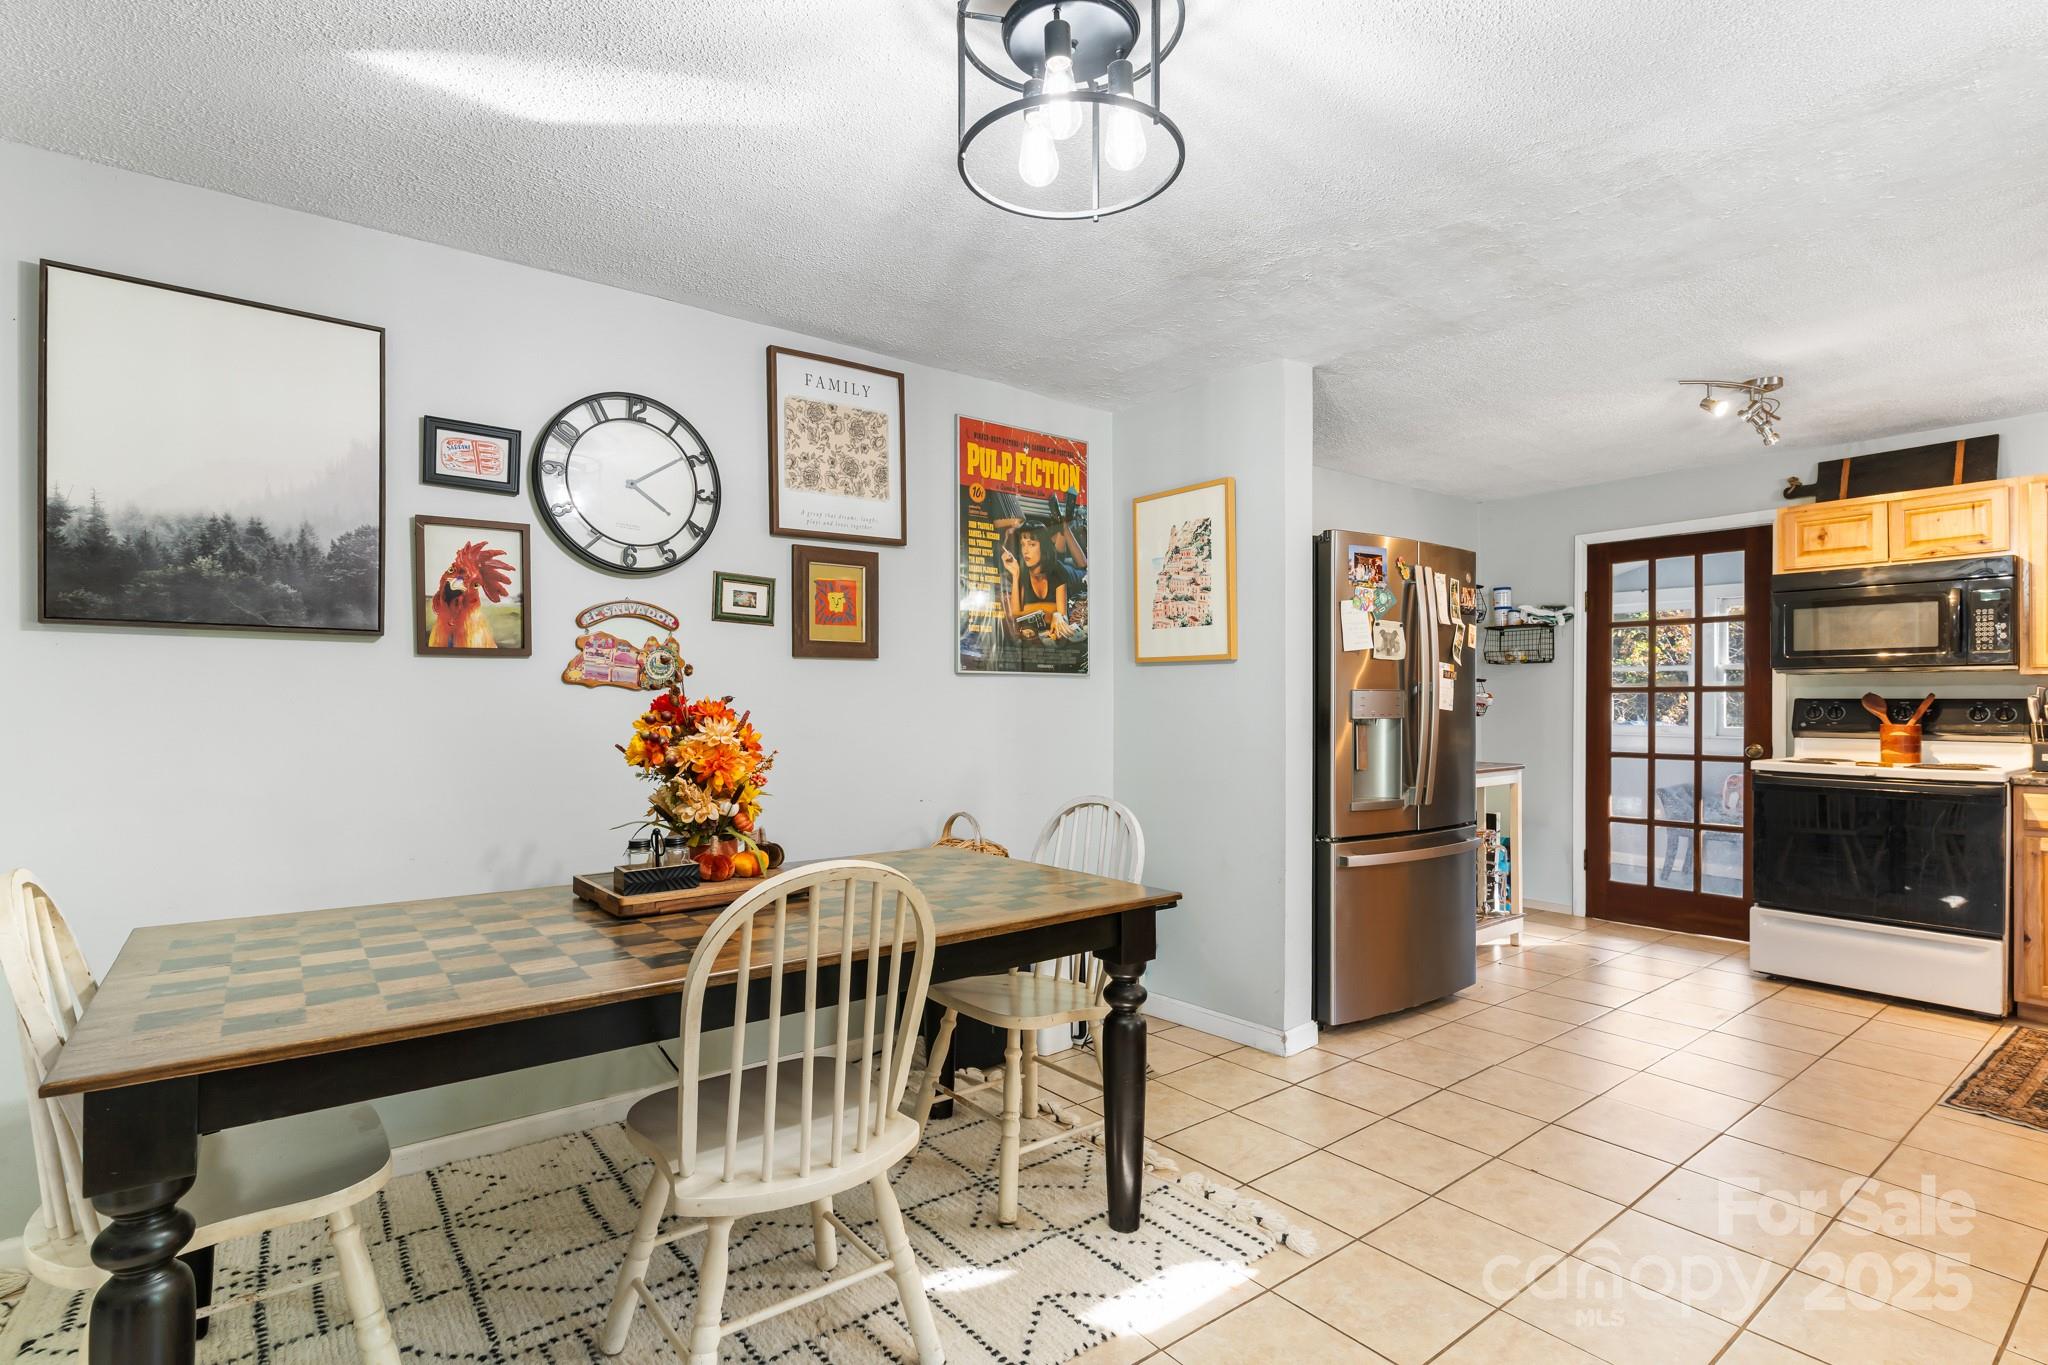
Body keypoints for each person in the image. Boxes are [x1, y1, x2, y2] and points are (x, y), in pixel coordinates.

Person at [1001, 520, 1077, 641]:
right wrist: (1015, 575)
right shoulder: (1021, 571)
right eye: (1022, 544)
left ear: (1043, 545)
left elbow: (1063, 616)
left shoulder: (1058, 570)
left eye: (1031, 544)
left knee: (1083, 567)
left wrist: (1057, 615)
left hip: (1074, 576)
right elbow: (1015, 613)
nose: (1025, 551)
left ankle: (1064, 526)